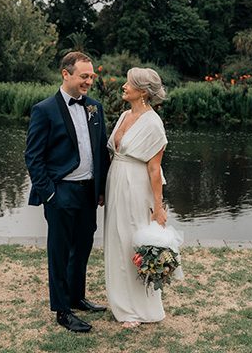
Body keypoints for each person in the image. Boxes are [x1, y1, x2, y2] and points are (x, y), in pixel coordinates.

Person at [24, 52, 110, 333]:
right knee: (59, 252)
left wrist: (101, 189)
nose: (89, 81)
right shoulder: (44, 109)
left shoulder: (95, 107)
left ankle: (77, 297)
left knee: (82, 247)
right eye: (84, 76)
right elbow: (33, 157)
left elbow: (100, 150)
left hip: (88, 193)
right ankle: (62, 310)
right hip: (60, 192)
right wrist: (48, 193)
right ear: (66, 74)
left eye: (92, 77)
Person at [104, 67, 168, 328]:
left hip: (135, 186)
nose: (123, 86)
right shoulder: (123, 116)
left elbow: (154, 169)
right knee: (116, 241)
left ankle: (138, 309)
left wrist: (158, 207)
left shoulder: (153, 123)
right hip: (116, 181)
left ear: (142, 91)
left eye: (128, 83)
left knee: (132, 241)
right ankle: (120, 303)